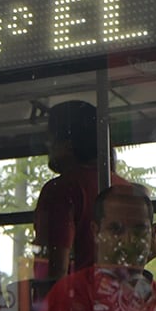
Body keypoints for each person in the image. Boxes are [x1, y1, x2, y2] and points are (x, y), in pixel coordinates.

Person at [33, 100, 131, 281]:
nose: (48, 145)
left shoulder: (60, 190)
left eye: (52, 138)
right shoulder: (127, 189)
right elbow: (153, 249)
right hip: (120, 299)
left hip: (79, 302)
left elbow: (57, 268)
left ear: (68, 144)